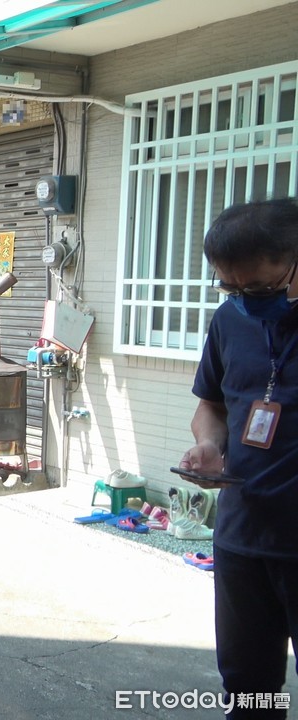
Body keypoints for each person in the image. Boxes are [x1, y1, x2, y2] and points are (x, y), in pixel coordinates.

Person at [179, 198, 298, 720]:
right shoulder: (230, 321)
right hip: (242, 537)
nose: (245, 300)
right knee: (249, 691)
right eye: (230, 287)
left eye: (260, 288)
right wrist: (209, 445)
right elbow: (211, 405)